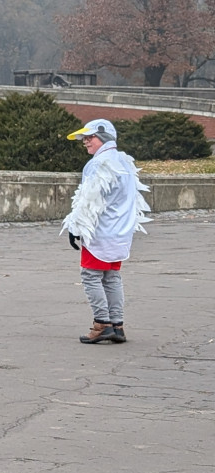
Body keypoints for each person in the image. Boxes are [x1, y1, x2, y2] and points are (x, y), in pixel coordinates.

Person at [61, 118, 150, 344]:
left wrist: (75, 226)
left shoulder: (97, 164)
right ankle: (117, 326)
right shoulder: (124, 163)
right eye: (84, 139)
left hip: (99, 232)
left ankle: (102, 324)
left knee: (91, 276)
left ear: (104, 137)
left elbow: (88, 199)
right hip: (120, 233)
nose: (85, 142)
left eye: (89, 138)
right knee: (112, 277)